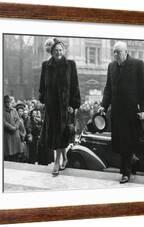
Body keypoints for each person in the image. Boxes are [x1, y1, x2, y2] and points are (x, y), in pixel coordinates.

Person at [98, 41, 144, 184]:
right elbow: (108, 89)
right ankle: (132, 162)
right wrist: (103, 105)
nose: (116, 55)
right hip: (116, 112)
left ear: (126, 52)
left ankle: (125, 173)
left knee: (127, 143)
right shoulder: (111, 66)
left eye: (118, 52)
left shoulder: (137, 64)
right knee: (120, 144)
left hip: (131, 112)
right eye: (114, 52)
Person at [38, 38, 81, 176]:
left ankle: (57, 161)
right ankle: (65, 158)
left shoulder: (70, 65)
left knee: (61, 134)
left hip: (65, 106)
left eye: (61, 50)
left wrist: (73, 104)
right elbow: (42, 86)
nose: (58, 52)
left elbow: (75, 85)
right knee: (56, 134)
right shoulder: (46, 65)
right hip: (52, 106)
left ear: (64, 51)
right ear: (52, 52)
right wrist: (43, 99)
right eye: (56, 50)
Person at [3, 95, 24, 161]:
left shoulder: (14, 110)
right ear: (4, 103)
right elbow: (4, 122)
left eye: (9, 102)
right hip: (7, 133)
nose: (8, 103)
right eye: (6, 102)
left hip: (15, 133)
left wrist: (15, 127)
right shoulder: (2, 110)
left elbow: (18, 119)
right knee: (8, 150)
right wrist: (11, 128)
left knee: (16, 151)